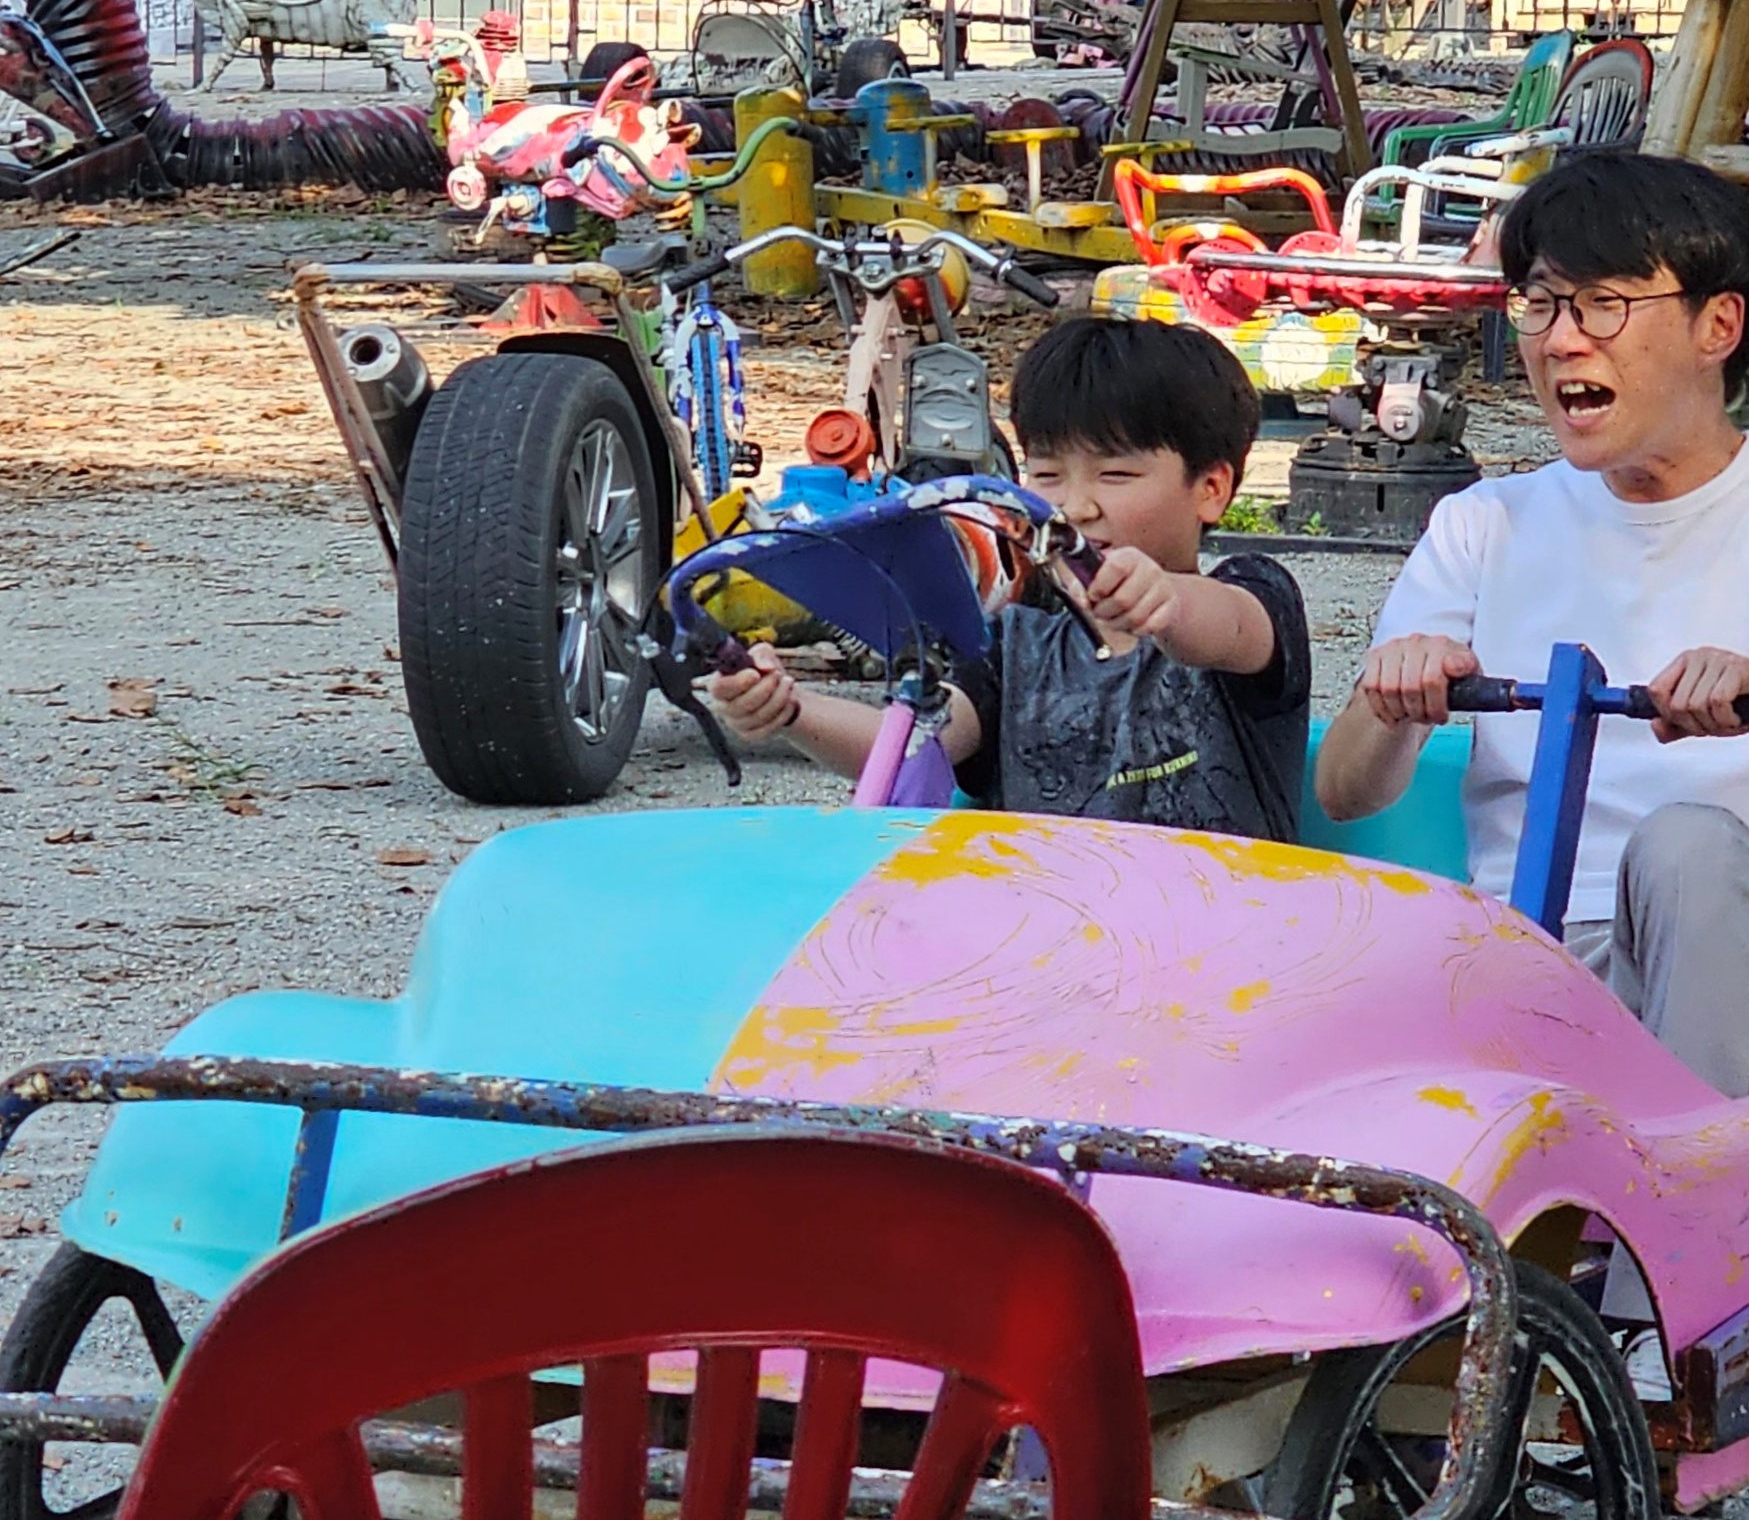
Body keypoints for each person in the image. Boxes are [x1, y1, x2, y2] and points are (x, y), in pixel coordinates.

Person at [1316, 148, 1749, 1095]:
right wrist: (1393, 699)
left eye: (1602, 305)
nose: (1560, 341)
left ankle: (1698, 1181)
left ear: (1716, 324)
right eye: (1541, 304)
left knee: (1686, 847)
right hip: (1532, 958)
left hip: (1726, 949)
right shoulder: (1484, 524)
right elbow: (1344, 793)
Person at [709, 315, 1310, 840]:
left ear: (1211, 489)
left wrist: (1167, 600)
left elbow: (1230, 626)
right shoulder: (1013, 644)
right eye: (1047, 476)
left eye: (1115, 476)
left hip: (1221, 924)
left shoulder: (1250, 598)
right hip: (1046, 927)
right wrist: (791, 710)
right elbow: (916, 743)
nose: (1075, 507)